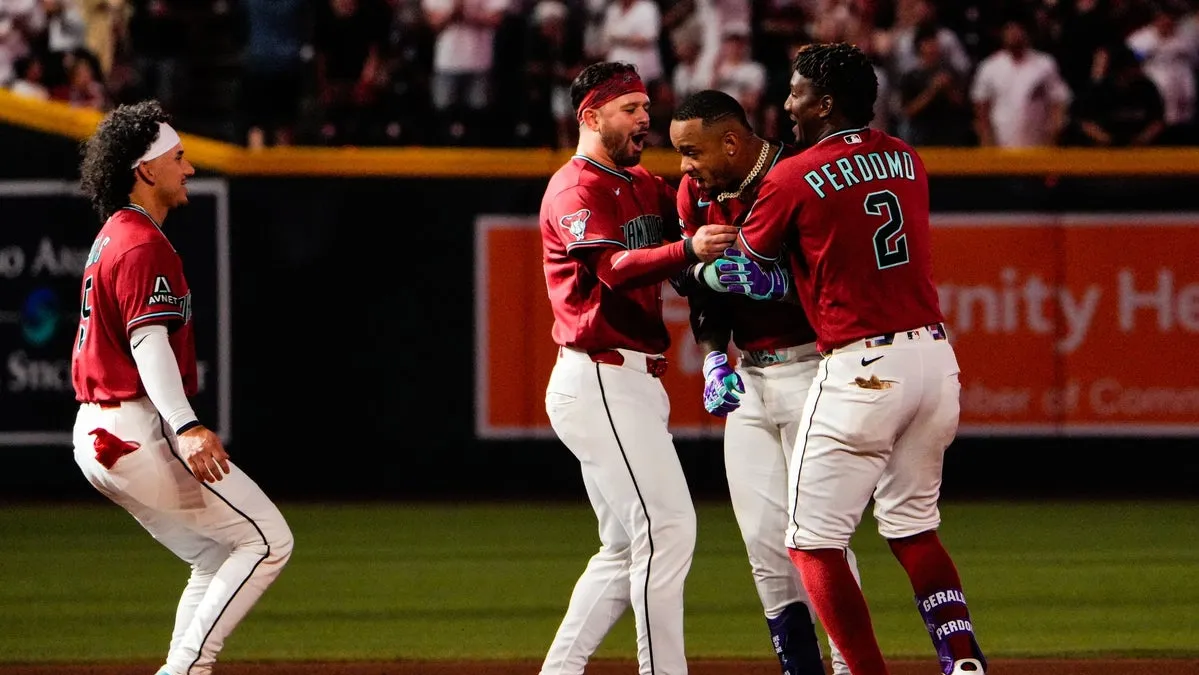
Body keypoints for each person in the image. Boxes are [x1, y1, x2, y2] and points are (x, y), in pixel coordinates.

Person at [704, 44, 987, 675]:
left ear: (826, 104)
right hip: (935, 363)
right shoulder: (906, 158)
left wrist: (693, 259)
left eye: (799, 92)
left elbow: (741, 269)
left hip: (862, 367)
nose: (787, 103)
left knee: (811, 547)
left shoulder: (792, 174)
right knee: (914, 527)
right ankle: (963, 661)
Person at [72, 100, 293, 675]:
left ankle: (183, 670)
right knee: (268, 542)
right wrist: (187, 424)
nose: (188, 168)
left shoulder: (113, 235)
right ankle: (187, 669)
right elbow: (149, 345)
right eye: (179, 157)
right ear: (146, 170)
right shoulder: (143, 243)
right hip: (136, 427)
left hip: (97, 432)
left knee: (216, 553)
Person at [538, 61, 738, 675]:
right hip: (597, 374)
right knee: (669, 528)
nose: (644, 118)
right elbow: (614, 268)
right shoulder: (576, 188)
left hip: (633, 382)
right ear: (590, 117)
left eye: (646, 106)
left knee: (624, 547)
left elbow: (684, 244)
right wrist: (688, 250)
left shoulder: (645, 185)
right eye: (630, 109)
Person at [668, 89, 861, 675]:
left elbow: (836, 273)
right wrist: (710, 356)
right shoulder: (694, 195)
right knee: (762, 544)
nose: (684, 165)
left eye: (691, 151)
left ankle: (852, 666)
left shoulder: (793, 175)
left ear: (732, 141)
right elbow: (700, 289)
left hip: (817, 368)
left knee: (821, 539)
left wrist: (777, 282)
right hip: (749, 375)